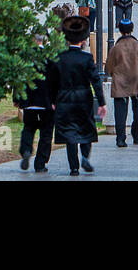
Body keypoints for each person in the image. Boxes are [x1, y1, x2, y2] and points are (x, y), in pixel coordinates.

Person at [48, 15, 106, 175]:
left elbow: (52, 82)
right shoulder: (87, 58)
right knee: (85, 128)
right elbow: (96, 81)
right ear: (83, 40)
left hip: (64, 98)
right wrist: (101, 102)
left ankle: (73, 167)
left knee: (70, 133)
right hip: (83, 98)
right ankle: (85, 156)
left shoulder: (60, 58)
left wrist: (53, 100)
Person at [105, 18, 138, 147]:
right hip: (137, 82)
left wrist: (115, 74)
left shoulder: (116, 48)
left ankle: (120, 138)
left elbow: (108, 68)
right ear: (132, 29)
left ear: (120, 30)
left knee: (120, 113)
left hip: (120, 84)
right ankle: (137, 136)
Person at [14, 35, 55, 172]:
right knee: (46, 134)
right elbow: (55, 82)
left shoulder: (26, 59)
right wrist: (55, 101)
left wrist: (17, 99)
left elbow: (18, 79)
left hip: (29, 102)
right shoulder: (49, 59)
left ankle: (26, 150)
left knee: (28, 128)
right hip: (46, 103)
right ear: (43, 41)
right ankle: (40, 163)